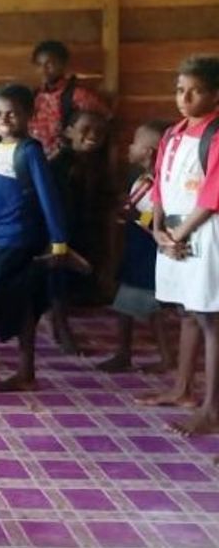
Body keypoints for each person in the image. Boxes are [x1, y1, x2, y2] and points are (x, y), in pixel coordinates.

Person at [0, 84, 72, 392]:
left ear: (28, 116)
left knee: (15, 302)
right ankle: (24, 363)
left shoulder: (29, 151)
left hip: (18, 238)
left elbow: (49, 197)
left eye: (12, 113)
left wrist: (59, 241)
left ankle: (26, 369)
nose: (4, 119)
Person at [146, 55, 219, 435]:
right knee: (187, 311)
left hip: (203, 233)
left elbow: (212, 194)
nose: (185, 97)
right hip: (173, 232)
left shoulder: (217, 133)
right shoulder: (173, 133)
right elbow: (159, 182)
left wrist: (181, 233)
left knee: (211, 318)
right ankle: (183, 388)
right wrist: (158, 227)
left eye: (196, 91)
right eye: (180, 90)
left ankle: (212, 408)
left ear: (216, 95)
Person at [98, 120, 173, 374]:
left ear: (149, 152)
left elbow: (160, 223)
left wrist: (134, 217)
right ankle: (123, 353)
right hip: (134, 249)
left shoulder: (162, 187)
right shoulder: (140, 179)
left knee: (153, 311)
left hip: (150, 253)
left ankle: (165, 357)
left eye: (135, 142)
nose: (129, 146)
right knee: (124, 306)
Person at [47, 110, 114, 355]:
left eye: (100, 132)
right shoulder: (57, 164)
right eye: (86, 129)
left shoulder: (101, 166)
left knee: (77, 282)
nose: (93, 135)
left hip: (88, 231)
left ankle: (57, 322)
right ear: (68, 132)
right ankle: (61, 328)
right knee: (58, 281)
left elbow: (106, 203)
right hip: (61, 231)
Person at [30, 39, 109, 159]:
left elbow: (107, 117)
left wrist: (79, 137)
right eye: (39, 65)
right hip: (35, 155)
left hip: (64, 157)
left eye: (50, 64)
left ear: (62, 65)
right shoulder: (34, 95)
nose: (44, 69)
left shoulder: (77, 95)